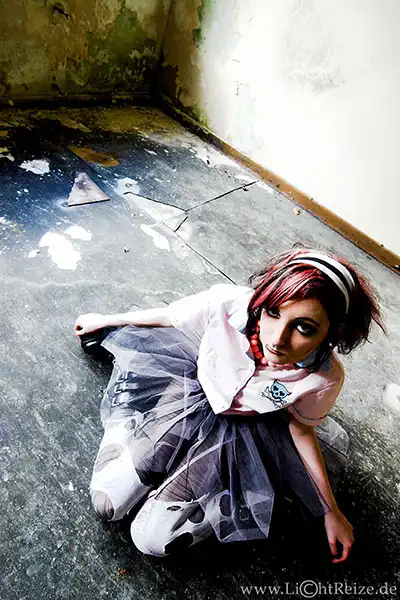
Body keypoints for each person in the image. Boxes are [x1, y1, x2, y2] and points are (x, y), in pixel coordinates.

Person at [74, 248, 384, 562]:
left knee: (153, 540)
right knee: (107, 503)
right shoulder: (228, 304)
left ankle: (222, 495)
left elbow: (302, 429)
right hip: (190, 394)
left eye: (304, 327)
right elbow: (170, 316)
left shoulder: (324, 378)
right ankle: (130, 431)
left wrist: (329, 510)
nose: (277, 339)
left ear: (334, 331)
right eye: (273, 312)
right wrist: (106, 321)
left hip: (244, 431)